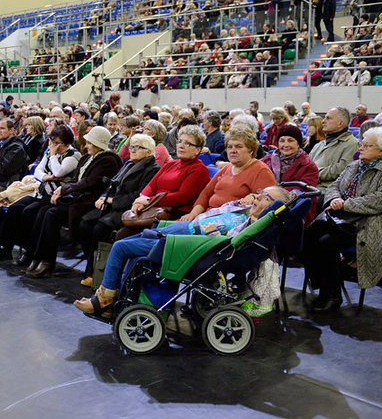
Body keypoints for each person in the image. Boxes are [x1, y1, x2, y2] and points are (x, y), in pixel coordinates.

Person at [74, 185, 292, 317]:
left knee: (121, 247)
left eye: (265, 197)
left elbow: (224, 241)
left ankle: (104, 299)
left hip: (188, 243)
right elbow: (216, 211)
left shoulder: (249, 227)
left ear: (273, 207)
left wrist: (210, 229)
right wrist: (240, 203)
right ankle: (115, 297)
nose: (258, 196)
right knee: (131, 242)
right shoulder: (243, 212)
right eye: (261, 192)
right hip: (185, 228)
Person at [301, 127, 382, 312]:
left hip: (371, 224)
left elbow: (378, 201)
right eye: (361, 143)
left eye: (367, 145)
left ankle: (332, 296)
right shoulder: (355, 165)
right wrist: (334, 199)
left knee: (326, 243)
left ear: (381, 151)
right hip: (342, 219)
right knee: (308, 235)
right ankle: (322, 282)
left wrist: (345, 204)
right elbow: (334, 186)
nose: (360, 148)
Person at [24, 127, 122, 278]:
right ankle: (37, 256)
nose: (86, 145)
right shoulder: (88, 158)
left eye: (89, 143)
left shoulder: (108, 160)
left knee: (51, 213)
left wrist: (63, 190)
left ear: (98, 143)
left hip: (89, 203)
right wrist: (63, 189)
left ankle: (47, 261)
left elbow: (89, 182)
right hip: (78, 199)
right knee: (43, 211)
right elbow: (76, 180)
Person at [0, 125, 82, 265]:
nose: (54, 146)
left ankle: (28, 251)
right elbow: (38, 171)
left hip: (56, 195)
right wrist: (46, 177)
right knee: (14, 208)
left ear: (67, 143)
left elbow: (58, 172)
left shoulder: (73, 155)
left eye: (57, 143)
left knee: (29, 212)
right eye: (52, 142)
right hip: (41, 190)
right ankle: (5, 248)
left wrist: (52, 157)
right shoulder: (50, 151)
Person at [76, 134, 160, 285]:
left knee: (99, 229)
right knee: (84, 225)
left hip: (128, 209)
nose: (132, 150)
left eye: (138, 147)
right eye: (132, 146)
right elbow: (111, 185)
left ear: (148, 152)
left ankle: (95, 273)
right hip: (111, 205)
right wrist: (103, 197)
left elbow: (138, 195)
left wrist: (111, 201)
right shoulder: (128, 164)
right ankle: (92, 265)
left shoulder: (152, 169)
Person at [182, 125, 276, 222]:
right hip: (205, 217)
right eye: (229, 147)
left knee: (168, 233)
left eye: (238, 147)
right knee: (168, 228)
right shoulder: (227, 167)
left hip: (225, 225)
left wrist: (253, 196)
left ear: (251, 150)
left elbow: (265, 204)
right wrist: (192, 215)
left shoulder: (261, 171)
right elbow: (205, 194)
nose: (232, 150)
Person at [309, 107, 360, 192]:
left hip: (328, 192)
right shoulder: (319, 145)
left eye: (328, 118)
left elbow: (341, 170)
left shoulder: (352, 144)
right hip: (309, 187)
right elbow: (307, 166)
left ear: (340, 124)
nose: (323, 121)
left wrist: (313, 174)